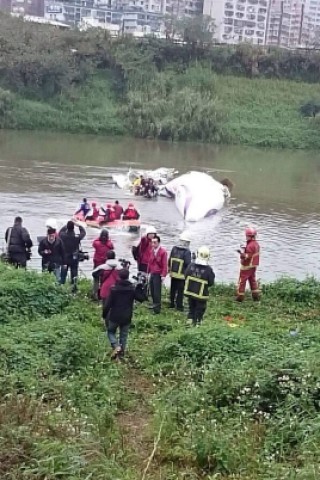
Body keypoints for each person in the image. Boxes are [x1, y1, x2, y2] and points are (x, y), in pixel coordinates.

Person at [103, 268, 145, 360]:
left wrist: (104, 314)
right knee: (124, 334)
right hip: (127, 316)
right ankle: (121, 354)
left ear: (119, 277)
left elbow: (108, 304)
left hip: (114, 315)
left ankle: (115, 345)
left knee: (110, 332)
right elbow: (141, 299)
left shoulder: (114, 289)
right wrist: (141, 287)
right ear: (128, 276)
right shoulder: (132, 289)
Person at [184, 246, 215, 326]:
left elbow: (185, 275)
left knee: (191, 307)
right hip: (201, 295)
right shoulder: (208, 269)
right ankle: (198, 322)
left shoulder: (191, 266)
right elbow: (211, 282)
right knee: (200, 308)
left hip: (190, 292)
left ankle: (190, 320)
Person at [59, 220, 86, 293]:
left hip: (65, 258)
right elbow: (83, 233)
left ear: (67, 228)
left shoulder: (63, 236)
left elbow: (60, 232)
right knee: (74, 274)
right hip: (74, 258)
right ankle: (74, 289)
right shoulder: (76, 237)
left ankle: (61, 288)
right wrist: (79, 226)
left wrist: (65, 225)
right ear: (73, 228)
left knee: (63, 274)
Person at [169, 232, 192, 311]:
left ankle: (171, 303)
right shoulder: (187, 252)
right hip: (182, 276)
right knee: (180, 292)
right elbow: (188, 264)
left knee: (172, 290)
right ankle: (179, 306)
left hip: (173, 274)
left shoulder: (174, 249)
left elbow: (169, 260)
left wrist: (170, 270)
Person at [236, 226, 260, 302]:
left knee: (242, 282)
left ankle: (240, 297)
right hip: (253, 266)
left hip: (246, 267)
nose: (246, 237)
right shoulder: (256, 244)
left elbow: (247, 256)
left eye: (246, 236)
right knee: (252, 280)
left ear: (249, 236)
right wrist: (245, 249)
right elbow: (253, 254)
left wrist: (241, 253)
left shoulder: (250, 246)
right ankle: (255, 297)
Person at [148, 235, 168, 314]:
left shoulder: (163, 252)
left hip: (158, 274)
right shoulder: (152, 251)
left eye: (155, 242)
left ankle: (157, 309)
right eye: (152, 242)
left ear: (158, 243)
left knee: (157, 292)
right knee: (152, 290)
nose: (153, 244)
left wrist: (163, 275)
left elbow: (165, 264)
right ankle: (154, 304)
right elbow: (150, 262)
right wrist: (148, 272)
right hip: (152, 273)